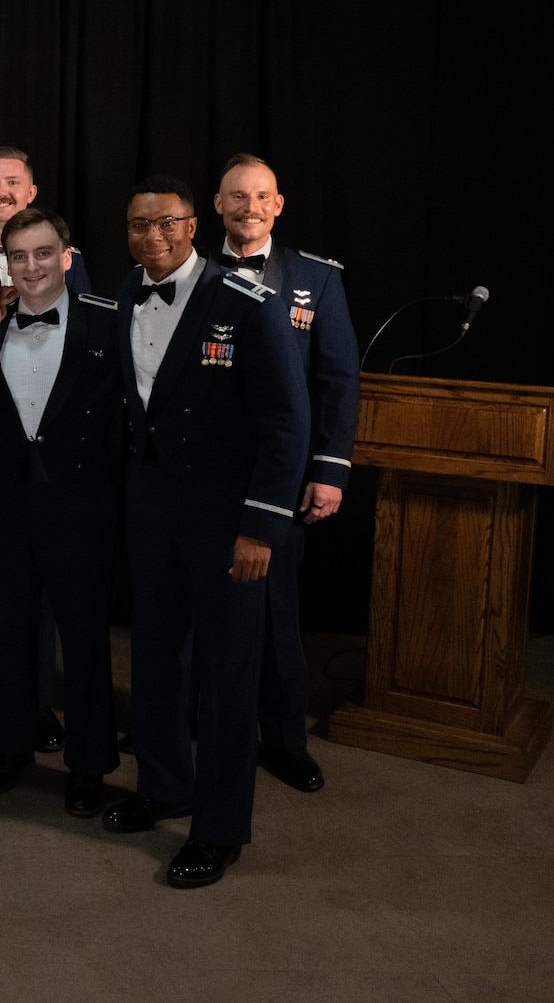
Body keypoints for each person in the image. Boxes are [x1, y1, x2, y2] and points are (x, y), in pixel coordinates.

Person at [99, 176, 306, 888]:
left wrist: (261, 527)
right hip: (153, 508)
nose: (150, 238)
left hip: (228, 519)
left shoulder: (244, 301)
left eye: (165, 224)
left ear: (193, 226)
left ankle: (220, 827)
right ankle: (163, 783)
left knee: (226, 676)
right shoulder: (124, 292)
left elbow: (287, 422)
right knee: (155, 656)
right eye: (136, 225)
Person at [212, 153, 360, 795]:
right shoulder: (186, 270)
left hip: (278, 476)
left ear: (278, 205)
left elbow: (337, 379)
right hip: (202, 471)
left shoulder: (316, 279)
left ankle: (284, 741)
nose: (249, 207)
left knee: (273, 610)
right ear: (217, 205)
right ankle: (206, 723)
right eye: (237, 196)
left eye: (261, 196)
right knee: (199, 607)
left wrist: (329, 470)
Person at [0, 208, 125, 816]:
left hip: (80, 502)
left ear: (67, 256)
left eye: (42, 254)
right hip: (8, 502)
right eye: (18, 257)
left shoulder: (107, 323)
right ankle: (9, 746)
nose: (30, 266)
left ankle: (89, 764)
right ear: (4, 264)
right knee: (9, 628)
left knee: (86, 635)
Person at [0, 146, 94, 297]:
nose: (1, 192)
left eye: (12, 182)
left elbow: (81, 319)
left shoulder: (64, 258)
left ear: (31, 193)